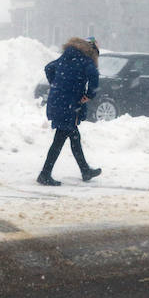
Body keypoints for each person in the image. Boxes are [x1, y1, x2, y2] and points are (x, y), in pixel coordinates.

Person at [37, 36, 102, 186]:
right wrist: (89, 95)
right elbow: (94, 77)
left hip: (58, 101)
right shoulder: (86, 61)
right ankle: (44, 174)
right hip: (70, 104)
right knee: (60, 138)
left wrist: (57, 85)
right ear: (91, 49)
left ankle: (85, 170)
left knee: (73, 136)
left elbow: (49, 68)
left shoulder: (67, 56)